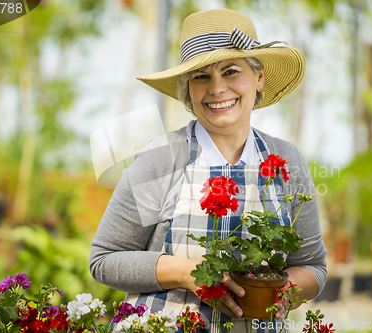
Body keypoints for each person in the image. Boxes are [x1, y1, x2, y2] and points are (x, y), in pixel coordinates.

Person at [90, 8, 327, 332]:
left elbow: (313, 266)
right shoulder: (161, 159)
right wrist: (185, 272)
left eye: (231, 71)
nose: (216, 88)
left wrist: (284, 292)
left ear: (259, 79)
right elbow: (104, 259)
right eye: (201, 76)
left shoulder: (286, 160)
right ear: (188, 89)